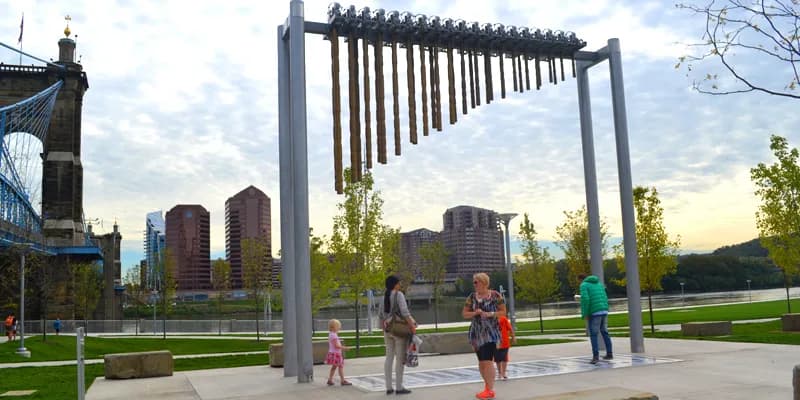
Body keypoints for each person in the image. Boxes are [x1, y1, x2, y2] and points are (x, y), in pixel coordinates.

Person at [463, 272, 506, 400]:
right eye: (474, 282)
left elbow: (503, 312)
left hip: (490, 333)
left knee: (487, 361)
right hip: (476, 334)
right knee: (481, 362)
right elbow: (464, 313)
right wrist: (474, 313)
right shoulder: (472, 297)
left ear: (484, 283)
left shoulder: (495, 295)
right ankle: (487, 387)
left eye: (476, 282)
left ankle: (489, 389)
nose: (474, 285)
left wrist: (490, 314)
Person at [381, 275, 416, 395]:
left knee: (389, 357)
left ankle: (388, 387)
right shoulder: (398, 294)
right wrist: (412, 325)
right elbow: (405, 313)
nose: (400, 284)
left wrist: (383, 328)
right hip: (399, 330)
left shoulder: (384, 296)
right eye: (398, 282)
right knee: (400, 358)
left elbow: (382, 315)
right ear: (394, 284)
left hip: (388, 329)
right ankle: (399, 387)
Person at [578, 273, 613, 364]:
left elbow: (585, 299)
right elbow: (605, 297)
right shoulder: (599, 284)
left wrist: (585, 314)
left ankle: (595, 357)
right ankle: (609, 353)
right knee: (605, 332)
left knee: (593, 334)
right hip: (603, 310)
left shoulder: (584, 285)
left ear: (581, 279)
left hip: (595, 312)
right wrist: (605, 308)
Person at [325, 319, 352, 386]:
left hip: (334, 353)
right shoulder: (333, 335)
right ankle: (342, 380)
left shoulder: (331, 334)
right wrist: (345, 348)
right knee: (340, 366)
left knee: (335, 367)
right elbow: (336, 346)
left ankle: (330, 380)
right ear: (333, 327)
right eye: (338, 326)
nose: (339, 328)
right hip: (336, 354)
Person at [495, 314, 515, 380]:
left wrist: (513, 337)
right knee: (497, 359)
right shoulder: (490, 320)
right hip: (495, 342)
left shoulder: (503, 319)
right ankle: (499, 372)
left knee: (504, 358)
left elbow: (510, 328)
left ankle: (503, 373)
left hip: (504, 342)